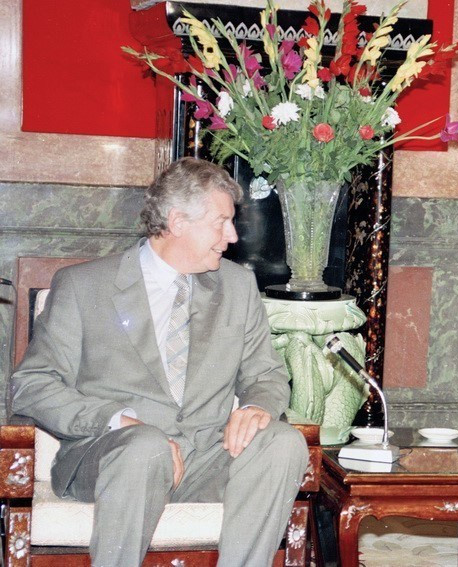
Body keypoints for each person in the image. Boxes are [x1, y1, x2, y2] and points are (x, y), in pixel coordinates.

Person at [10, 157, 309, 567]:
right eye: (221, 222)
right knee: (145, 446)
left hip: (204, 457)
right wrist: (117, 420)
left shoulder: (237, 287)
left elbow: (268, 374)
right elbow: (32, 385)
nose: (233, 236)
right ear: (178, 221)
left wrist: (257, 406)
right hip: (113, 455)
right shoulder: (84, 287)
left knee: (281, 441)